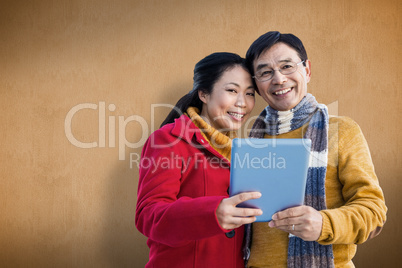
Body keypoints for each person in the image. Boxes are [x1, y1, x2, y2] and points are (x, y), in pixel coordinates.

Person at [243, 31, 387, 267]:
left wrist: (324, 224)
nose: (278, 79)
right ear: (257, 85)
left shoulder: (342, 131)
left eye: (287, 66)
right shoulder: (250, 141)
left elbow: (374, 213)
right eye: (265, 72)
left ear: (307, 70)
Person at [135, 52, 263, 268]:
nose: (242, 103)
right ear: (203, 93)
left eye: (249, 93)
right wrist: (212, 212)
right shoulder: (168, 140)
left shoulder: (243, 151)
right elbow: (148, 215)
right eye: (232, 90)